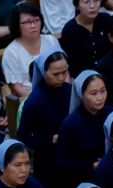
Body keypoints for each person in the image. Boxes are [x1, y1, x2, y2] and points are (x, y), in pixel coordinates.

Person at [57, 70, 113, 188]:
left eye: (103, 91)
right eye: (93, 93)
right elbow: (62, 162)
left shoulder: (111, 113)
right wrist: (91, 166)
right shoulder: (70, 124)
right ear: (81, 94)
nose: (100, 97)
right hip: (86, 182)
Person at [17, 51, 72, 180]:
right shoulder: (35, 101)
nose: (61, 78)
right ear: (43, 72)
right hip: (48, 162)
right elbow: (23, 137)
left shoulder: (70, 90)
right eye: (55, 74)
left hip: (71, 155)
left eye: (64, 72)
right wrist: (50, 139)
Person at [1, 3, 59, 98]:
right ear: (17, 25)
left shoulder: (51, 40)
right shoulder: (11, 52)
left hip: (58, 90)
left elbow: (65, 71)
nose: (33, 25)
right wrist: (39, 101)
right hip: (31, 98)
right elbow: (16, 87)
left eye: (36, 20)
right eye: (27, 22)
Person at [61, 0, 113, 72]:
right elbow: (71, 64)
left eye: (96, 1)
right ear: (77, 6)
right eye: (86, 2)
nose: (92, 6)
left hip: (110, 70)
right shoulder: (69, 30)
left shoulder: (106, 19)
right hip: (85, 74)